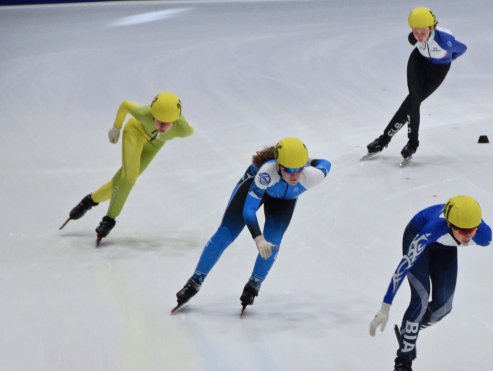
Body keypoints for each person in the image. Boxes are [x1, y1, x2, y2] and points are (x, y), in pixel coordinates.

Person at [172, 137, 331, 314]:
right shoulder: (266, 173)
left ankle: (254, 284)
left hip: (283, 202)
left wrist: (306, 161)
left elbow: (326, 163)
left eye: (299, 169)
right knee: (226, 233)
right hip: (252, 189)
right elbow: (248, 210)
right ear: (278, 165)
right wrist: (257, 237)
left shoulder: (311, 176)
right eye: (289, 169)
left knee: (274, 241)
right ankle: (195, 281)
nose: (294, 175)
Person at [368, 195, 492, 371]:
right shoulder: (431, 230)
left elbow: (469, 233)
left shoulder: (483, 235)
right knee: (421, 298)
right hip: (418, 236)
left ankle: (411, 329)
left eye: (472, 230)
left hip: (445, 247)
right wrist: (385, 307)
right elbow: (403, 267)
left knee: (444, 307)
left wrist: (461, 233)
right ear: (451, 224)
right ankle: (403, 361)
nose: (468, 236)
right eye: (462, 231)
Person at [59, 92, 194, 245]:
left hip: (154, 145)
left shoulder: (185, 130)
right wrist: (116, 128)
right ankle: (108, 220)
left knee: (118, 183)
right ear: (152, 114)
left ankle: (89, 201)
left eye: (166, 123)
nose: (161, 125)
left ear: (175, 120)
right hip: (134, 132)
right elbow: (125, 105)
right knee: (129, 178)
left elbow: (191, 131)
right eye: (157, 120)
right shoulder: (144, 114)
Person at [367, 7, 467, 160]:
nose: (419, 37)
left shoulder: (445, 41)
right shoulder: (412, 37)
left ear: (432, 27)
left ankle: (392, 141)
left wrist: (450, 59)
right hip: (418, 61)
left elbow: (463, 48)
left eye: (423, 32)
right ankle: (395, 141)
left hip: (438, 71)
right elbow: (417, 40)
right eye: (415, 32)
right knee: (413, 100)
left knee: (411, 103)